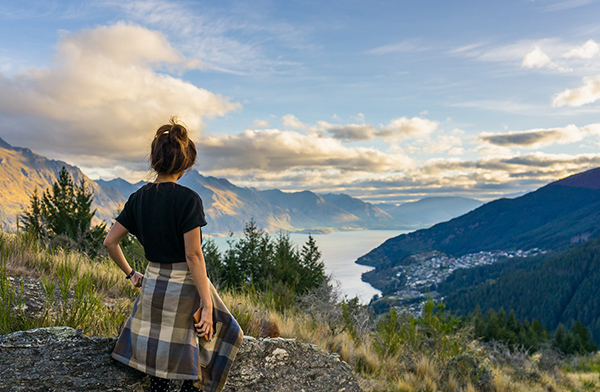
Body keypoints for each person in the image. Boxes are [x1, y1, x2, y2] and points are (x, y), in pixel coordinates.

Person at [104, 118, 243, 392]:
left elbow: (110, 242)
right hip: (185, 287)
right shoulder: (189, 200)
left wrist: (132, 274)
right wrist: (207, 304)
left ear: (155, 160)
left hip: (153, 285)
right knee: (229, 333)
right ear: (185, 163)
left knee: (160, 368)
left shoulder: (138, 198)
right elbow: (193, 256)